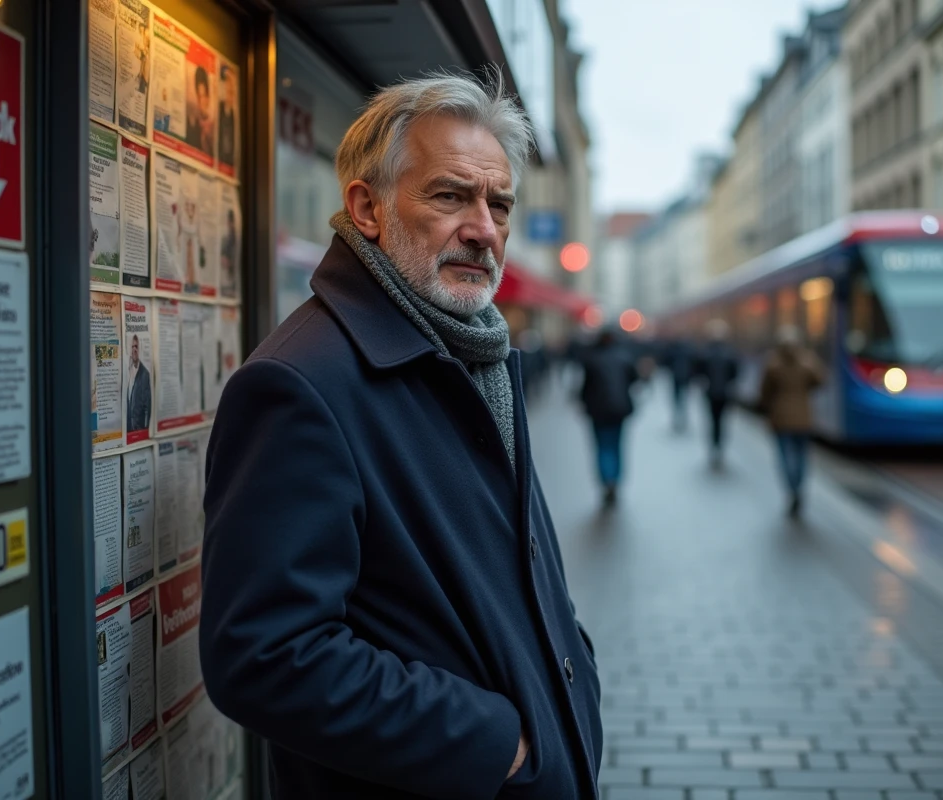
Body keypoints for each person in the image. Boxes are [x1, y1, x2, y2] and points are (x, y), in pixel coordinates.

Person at [200, 72, 601, 799]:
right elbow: (263, 655)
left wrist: (574, 673)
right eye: (450, 195)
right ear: (368, 208)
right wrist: (497, 743)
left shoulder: (471, 352)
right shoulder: (302, 384)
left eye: (499, 203)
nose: (483, 227)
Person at [758, 326, 825, 516]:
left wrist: (765, 409)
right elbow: (820, 380)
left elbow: (764, 393)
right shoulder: (807, 362)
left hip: (781, 419)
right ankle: (799, 487)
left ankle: (792, 489)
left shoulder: (773, 364)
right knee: (802, 457)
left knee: (785, 456)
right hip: (804, 419)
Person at [578, 327, 639, 508]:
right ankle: (616, 479)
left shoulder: (591, 359)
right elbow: (634, 379)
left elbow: (585, 387)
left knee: (602, 446)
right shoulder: (625, 357)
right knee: (617, 445)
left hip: (597, 410)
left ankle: (606, 480)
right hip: (619, 409)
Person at [692, 319, 740, 467]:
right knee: (722, 422)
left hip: (710, 393)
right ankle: (720, 448)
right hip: (725, 394)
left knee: (712, 421)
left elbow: (698, 373)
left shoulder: (705, 353)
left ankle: (714, 447)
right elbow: (735, 374)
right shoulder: (730, 353)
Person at [663, 336, 695, 431]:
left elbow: (667, 361)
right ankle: (682, 420)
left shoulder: (673, 350)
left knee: (677, 400)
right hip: (685, 378)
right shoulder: (689, 350)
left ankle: (678, 420)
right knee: (683, 400)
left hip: (676, 377)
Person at [125, 334, 151, 432]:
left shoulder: (145, 374)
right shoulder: (127, 370)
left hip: (138, 429)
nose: (134, 349)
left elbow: (147, 407)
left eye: (136, 347)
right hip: (128, 429)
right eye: (132, 346)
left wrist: (144, 430)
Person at [186, 65, 214, 155]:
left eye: (204, 95)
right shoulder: (192, 124)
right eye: (199, 96)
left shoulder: (213, 128)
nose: (202, 101)